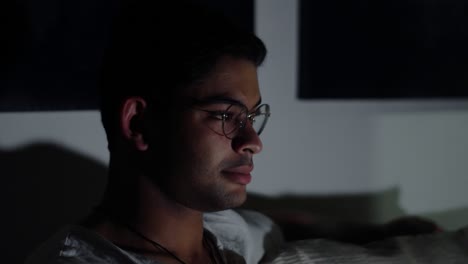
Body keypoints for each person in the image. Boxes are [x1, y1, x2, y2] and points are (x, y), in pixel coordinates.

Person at [26, 1, 283, 264]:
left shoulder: (232, 233)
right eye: (225, 115)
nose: (254, 142)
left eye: (252, 116)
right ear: (138, 123)